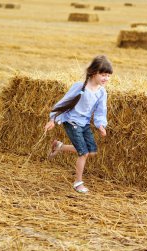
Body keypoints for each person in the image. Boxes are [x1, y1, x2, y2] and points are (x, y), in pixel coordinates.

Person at [44, 55, 113, 193]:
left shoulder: (101, 92)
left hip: (84, 123)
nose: (106, 78)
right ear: (93, 73)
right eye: (103, 75)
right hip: (72, 121)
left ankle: (60, 147)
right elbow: (63, 103)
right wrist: (53, 119)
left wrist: (100, 125)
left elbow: (101, 110)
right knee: (84, 153)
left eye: (108, 75)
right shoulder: (79, 87)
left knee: (91, 151)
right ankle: (78, 183)